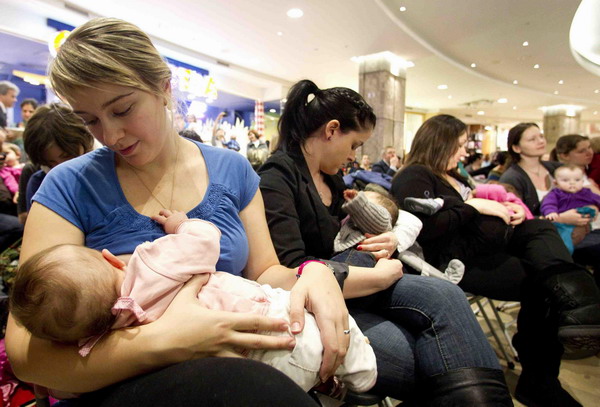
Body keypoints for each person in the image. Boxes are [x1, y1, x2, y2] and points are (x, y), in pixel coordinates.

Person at [5, 18, 338, 407]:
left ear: (163, 87)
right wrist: (169, 341)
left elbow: (265, 272)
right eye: (89, 120)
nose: (110, 136)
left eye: (123, 109)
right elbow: (27, 353)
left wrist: (313, 271)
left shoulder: (233, 170)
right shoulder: (67, 186)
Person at [258, 80, 513, 405]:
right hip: (318, 298)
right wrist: (380, 275)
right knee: (430, 358)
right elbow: (290, 270)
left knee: (448, 296)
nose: (354, 156)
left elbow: (393, 214)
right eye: (354, 145)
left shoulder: (331, 178)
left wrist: (390, 236)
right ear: (332, 130)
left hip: (354, 281)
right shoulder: (278, 178)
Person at [11, 209, 377, 394]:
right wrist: (181, 225)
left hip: (257, 366)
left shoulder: (98, 338)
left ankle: (329, 384)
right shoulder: (151, 263)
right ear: (109, 258)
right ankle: (363, 372)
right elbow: (204, 240)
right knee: (350, 350)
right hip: (271, 317)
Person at [392, 114, 600, 407]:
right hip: (455, 262)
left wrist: (505, 209)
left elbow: (477, 207)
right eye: (460, 145)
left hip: (490, 247)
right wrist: (472, 206)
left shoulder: (454, 174)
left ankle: (577, 304)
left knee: (541, 232)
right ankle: (546, 371)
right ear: (440, 143)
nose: (465, 152)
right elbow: (423, 229)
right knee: (541, 286)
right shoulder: (415, 174)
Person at [334, 189, 464, 283]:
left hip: (365, 263)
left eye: (366, 204)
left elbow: (378, 220)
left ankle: (447, 280)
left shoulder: (377, 225)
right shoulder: (350, 220)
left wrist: (359, 204)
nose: (358, 197)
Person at [19, 104, 94, 224]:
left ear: (84, 141)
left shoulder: (106, 171)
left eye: (67, 156)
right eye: (50, 162)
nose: (60, 168)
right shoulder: (39, 182)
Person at [541, 164, 600, 253]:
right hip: (563, 224)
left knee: (582, 226)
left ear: (582, 182)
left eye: (577, 180)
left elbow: (598, 200)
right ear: (556, 183)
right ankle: (564, 252)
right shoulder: (555, 194)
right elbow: (548, 204)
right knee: (565, 238)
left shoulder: (586, 193)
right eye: (565, 180)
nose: (572, 183)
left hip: (582, 222)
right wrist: (550, 212)